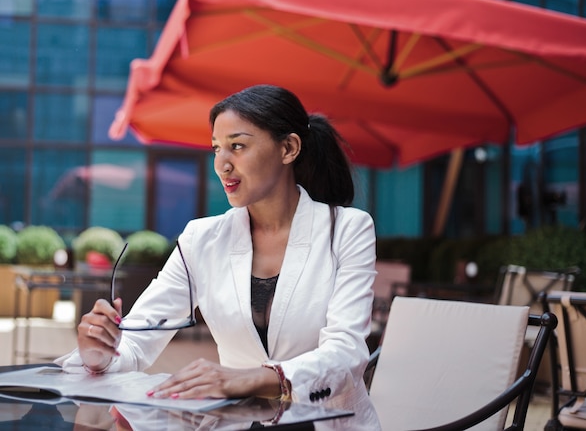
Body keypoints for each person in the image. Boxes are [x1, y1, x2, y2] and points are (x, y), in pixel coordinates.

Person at [56, 84, 381, 429]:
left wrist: (253, 378)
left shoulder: (346, 229)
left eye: (237, 146)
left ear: (288, 148)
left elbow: (347, 354)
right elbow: (137, 339)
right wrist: (100, 351)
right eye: (216, 149)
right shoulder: (201, 239)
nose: (222, 165)